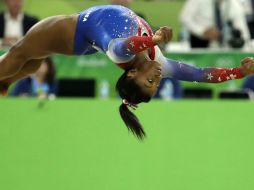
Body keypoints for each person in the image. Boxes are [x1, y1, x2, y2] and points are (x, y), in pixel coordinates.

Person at [0, 5, 254, 139]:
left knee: (20, 52)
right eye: (157, 82)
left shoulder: (121, 55)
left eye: (150, 81)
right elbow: (201, 74)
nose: (157, 76)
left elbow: (125, 43)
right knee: (33, 59)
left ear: (132, 74)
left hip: (74, 30)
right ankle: (5, 84)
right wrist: (238, 73)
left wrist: (151, 41)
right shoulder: (161, 65)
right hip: (89, 34)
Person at [180, 0, 250, 48]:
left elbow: (243, 31)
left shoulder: (234, 5)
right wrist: (202, 31)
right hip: (200, 43)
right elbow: (184, 18)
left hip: (224, 45)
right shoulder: (198, 1)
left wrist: (241, 41)